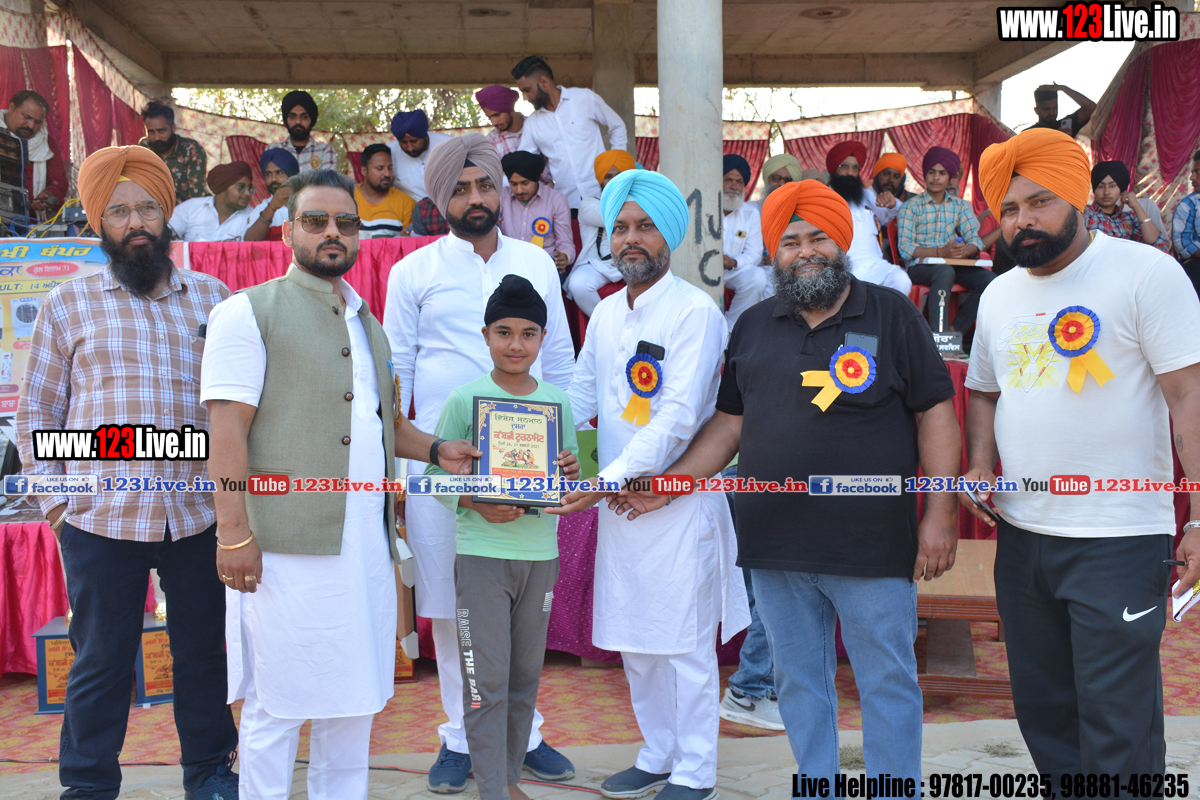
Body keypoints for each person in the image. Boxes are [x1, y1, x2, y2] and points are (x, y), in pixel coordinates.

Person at [609, 178, 960, 784]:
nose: (805, 252)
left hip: (872, 543)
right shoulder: (753, 325)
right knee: (797, 681)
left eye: (818, 238)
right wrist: (670, 482)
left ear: (842, 242)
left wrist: (940, 512)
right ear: (774, 251)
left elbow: (936, 412)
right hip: (774, 545)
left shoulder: (891, 314)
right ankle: (817, 785)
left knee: (886, 679)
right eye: (791, 241)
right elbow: (729, 425)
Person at [201, 167, 479, 799]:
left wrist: (439, 450)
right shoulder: (247, 312)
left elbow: (385, 425)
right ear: (286, 231)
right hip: (282, 550)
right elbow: (227, 429)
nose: (333, 232)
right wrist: (234, 534)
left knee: (355, 700)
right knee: (277, 704)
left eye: (345, 222)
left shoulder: (366, 323)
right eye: (315, 220)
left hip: (365, 551)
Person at [965, 126, 1200, 780]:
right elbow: (982, 391)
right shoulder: (999, 294)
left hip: (1118, 538)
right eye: (1010, 209)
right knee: (1046, 716)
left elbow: (1189, 396)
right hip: (1023, 536)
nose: (1023, 220)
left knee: (1117, 724)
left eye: (1039, 202)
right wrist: (980, 461)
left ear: (1076, 196)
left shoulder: (1145, 272)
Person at [15, 145, 238, 800]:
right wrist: (59, 507)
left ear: (166, 216)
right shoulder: (67, 304)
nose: (135, 222)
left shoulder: (216, 300)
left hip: (198, 514)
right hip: (100, 518)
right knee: (101, 662)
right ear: (99, 224)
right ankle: (87, 787)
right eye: (118, 211)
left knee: (204, 656)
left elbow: (240, 407)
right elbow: (37, 416)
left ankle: (210, 775)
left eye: (146, 208)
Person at [383, 134, 577, 793]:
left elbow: (561, 363)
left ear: (500, 191)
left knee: (522, 610)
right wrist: (406, 468)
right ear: (441, 199)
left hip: (532, 463)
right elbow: (395, 375)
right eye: (461, 189)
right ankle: (460, 738)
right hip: (447, 463)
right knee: (449, 604)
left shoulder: (536, 262)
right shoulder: (413, 271)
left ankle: (526, 735)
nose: (476, 198)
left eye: (485, 185)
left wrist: (565, 453)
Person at [549, 169, 750, 800]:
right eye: (620, 228)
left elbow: (679, 418)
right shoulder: (608, 312)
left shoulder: (696, 312)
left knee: (683, 645)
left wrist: (606, 478)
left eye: (644, 227)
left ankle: (696, 770)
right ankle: (658, 752)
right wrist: (537, 439)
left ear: (669, 235)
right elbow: (582, 395)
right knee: (636, 640)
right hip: (619, 505)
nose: (630, 239)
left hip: (677, 502)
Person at [427, 274, 580, 800]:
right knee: (484, 682)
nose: (516, 345)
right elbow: (434, 477)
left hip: (540, 555)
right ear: (486, 335)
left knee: (523, 679)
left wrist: (569, 472)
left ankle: (508, 779)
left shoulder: (557, 402)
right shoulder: (466, 399)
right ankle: (493, 788)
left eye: (528, 333)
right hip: (482, 555)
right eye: (504, 332)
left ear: (543, 339)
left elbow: (566, 480)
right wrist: (475, 501)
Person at [512, 55, 627, 210]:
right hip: (566, 202)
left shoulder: (584, 98)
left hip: (603, 194)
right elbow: (525, 163)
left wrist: (616, 166)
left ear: (544, 83)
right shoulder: (532, 123)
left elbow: (617, 126)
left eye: (527, 90)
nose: (525, 98)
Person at [898, 146, 992, 333]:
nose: (936, 178)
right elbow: (905, 248)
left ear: (949, 177)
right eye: (931, 172)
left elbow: (975, 240)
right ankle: (939, 336)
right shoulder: (910, 207)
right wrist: (940, 252)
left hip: (952, 264)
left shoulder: (959, 206)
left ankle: (954, 331)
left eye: (942, 173)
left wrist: (965, 250)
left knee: (989, 280)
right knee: (944, 272)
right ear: (924, 174)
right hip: (919, 267)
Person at [826, 141, 911, 294]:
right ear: (834, 169)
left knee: (901, 280)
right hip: (840, 267)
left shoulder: (866, 195)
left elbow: (892, 215)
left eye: (855, 168)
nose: (850, 173)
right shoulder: (822, 197)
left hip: (874, 265)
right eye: (844, 166)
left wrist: (892, 204)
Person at [567, 150, 635, 316]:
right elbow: (616, 218)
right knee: (578, 284)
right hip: (598, 264)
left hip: (633, 260)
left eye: (619, 175)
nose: (614, 181)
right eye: (608, 176)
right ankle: (605, 321)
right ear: (601, 180)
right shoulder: (588, 204)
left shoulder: (639, 203)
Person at [499, 151, 574, 273]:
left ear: (536, 180)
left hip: (544, 265)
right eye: (514, 184)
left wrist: (564, 257)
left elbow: (565, 242)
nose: (519, 190)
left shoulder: (556, 199)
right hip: (508, 264)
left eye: (525, 183)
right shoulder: (501, 196)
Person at [720, 153, 769, 329]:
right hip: (701, 268)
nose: (734, 186)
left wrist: (733, 262)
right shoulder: (703, 208)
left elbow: (755, 253)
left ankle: (730, 328)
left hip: (731, 270)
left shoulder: (750, 214)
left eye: (739, 182)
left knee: (758, 277)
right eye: (728, 180)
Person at [1, 90, 67, 216]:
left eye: (37, 122)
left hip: (31, 220)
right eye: (27, 118)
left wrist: (48, 194)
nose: (30, 126)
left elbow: (59, 182)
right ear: (11, 108)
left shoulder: (47, 144)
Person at [1084, 160, 1168, 252]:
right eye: (1101, 186)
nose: (1106, 192)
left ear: (1121, 190)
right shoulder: (1086, 214)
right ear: (1094, 190)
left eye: (1112, 186)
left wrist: (1136, 206)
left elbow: (1156, 243)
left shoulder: (1129, 218)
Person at [476, 85, 552, 185]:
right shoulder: (491, 142)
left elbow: (555, 162)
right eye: (489, 117)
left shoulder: (537, 126)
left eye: (497, 115)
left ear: (509, 108)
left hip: (548, 192)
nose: (493, 122)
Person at [140, 100, 209, 203]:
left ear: (173, 128)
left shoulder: (191, 150)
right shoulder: (145, 147)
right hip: (153, 209)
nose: (156, 137)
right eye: (151, 132)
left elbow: (198, 196)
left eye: (161, 131)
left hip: (186, 210)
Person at [169, 162, 256, 242]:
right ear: (222, 189)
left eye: (249, 188)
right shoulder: (192, 207)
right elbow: (165, 233)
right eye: (241, 187)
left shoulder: (253, 217)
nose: (247, 193)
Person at [389, 109, 452, 202]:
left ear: (424, 135)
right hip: (409, 208)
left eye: (414, 141)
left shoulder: (449, 145)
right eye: (404, 142)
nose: (410, 148)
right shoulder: (390, 152)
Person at [355, 143, 416, 238]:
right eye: (380, 168)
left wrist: (406, 237)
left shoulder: (406, 203)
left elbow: (412, 239)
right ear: (364, 171)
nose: (387, 174)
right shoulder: (347, 197)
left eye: (390, 168)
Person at [272, 90, 337, 173]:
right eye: (292, 117)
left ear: (311, 120)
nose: (298, 122)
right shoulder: (274, 150)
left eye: (304, 117)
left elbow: (327, 181)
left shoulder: (325, 151)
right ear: (286, 120)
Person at [244, 148, 299, 242]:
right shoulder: (262, 209)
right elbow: (250, 243)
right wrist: (272, 207)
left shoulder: (309, 203)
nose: (273, 179)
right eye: (268, 174)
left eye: (279, 173)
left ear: (292, 176)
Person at [1173, 150, 1200, 292]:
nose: (1192, 177)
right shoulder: (1187, 206)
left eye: (1198, 172)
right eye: (1192, 172)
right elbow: (1183, 243)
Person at [1030, 84, 1095, 138]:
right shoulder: (1030, 133)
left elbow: (1091, 107)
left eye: (1055, 108)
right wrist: (1056, 136)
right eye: (1046, 109)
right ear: (1036, 110)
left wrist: (1063, 88)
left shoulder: (1066, 126)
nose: (1051, 112)